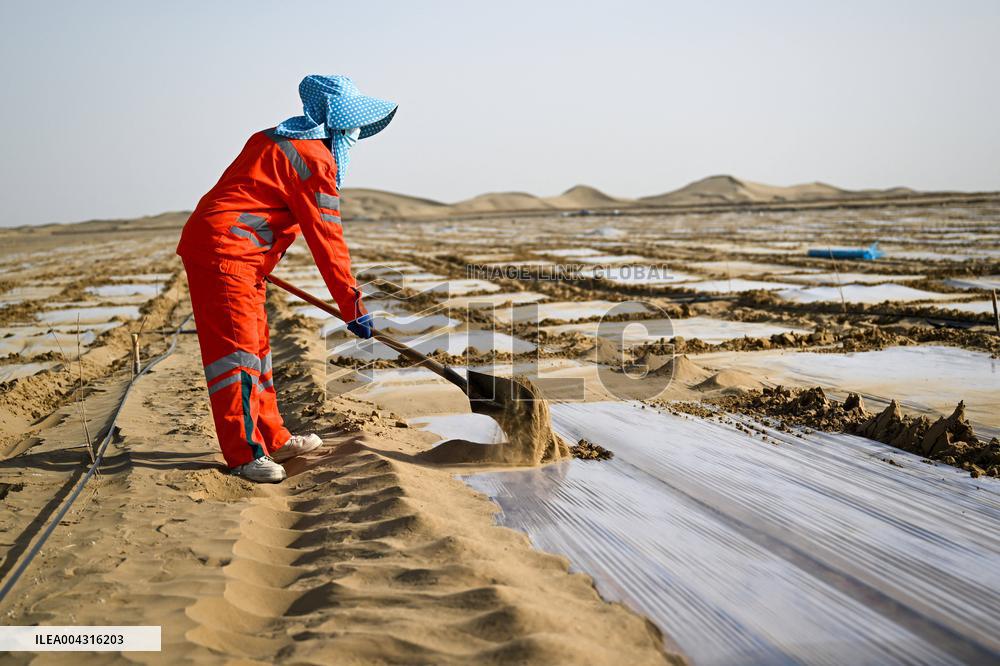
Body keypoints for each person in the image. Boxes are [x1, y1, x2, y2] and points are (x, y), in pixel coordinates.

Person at [176, 75, 396, 482]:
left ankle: (274, 438)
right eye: (352, 124)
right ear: (337, 122)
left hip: (238, 253)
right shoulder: (313, 160)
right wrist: (353, 304)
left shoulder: (273, 138)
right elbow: (327, 240)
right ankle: (244, 455)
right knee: (237, 355)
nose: (355, 134)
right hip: (227, 253)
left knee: (257, 349)